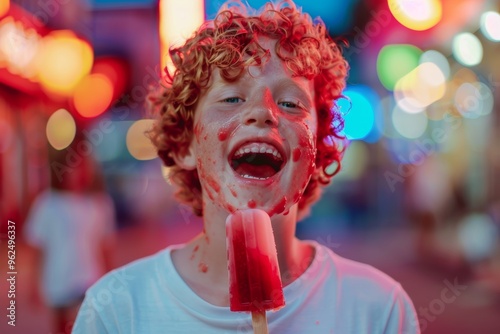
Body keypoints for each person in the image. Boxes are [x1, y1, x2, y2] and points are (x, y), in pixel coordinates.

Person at [73, 1, 420, 333]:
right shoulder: (116, 309)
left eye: (289, 102)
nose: (264, 112)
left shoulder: (378, 309)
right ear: (184, 145)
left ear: (317, 148)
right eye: (231, 99)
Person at [25, 137, 116, 334]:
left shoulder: (98, 204)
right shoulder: (47, 204)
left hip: (90, 279)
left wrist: (111, 282)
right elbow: (37, 248)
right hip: (58, 282)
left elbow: (105, 246)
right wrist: (33, 285)